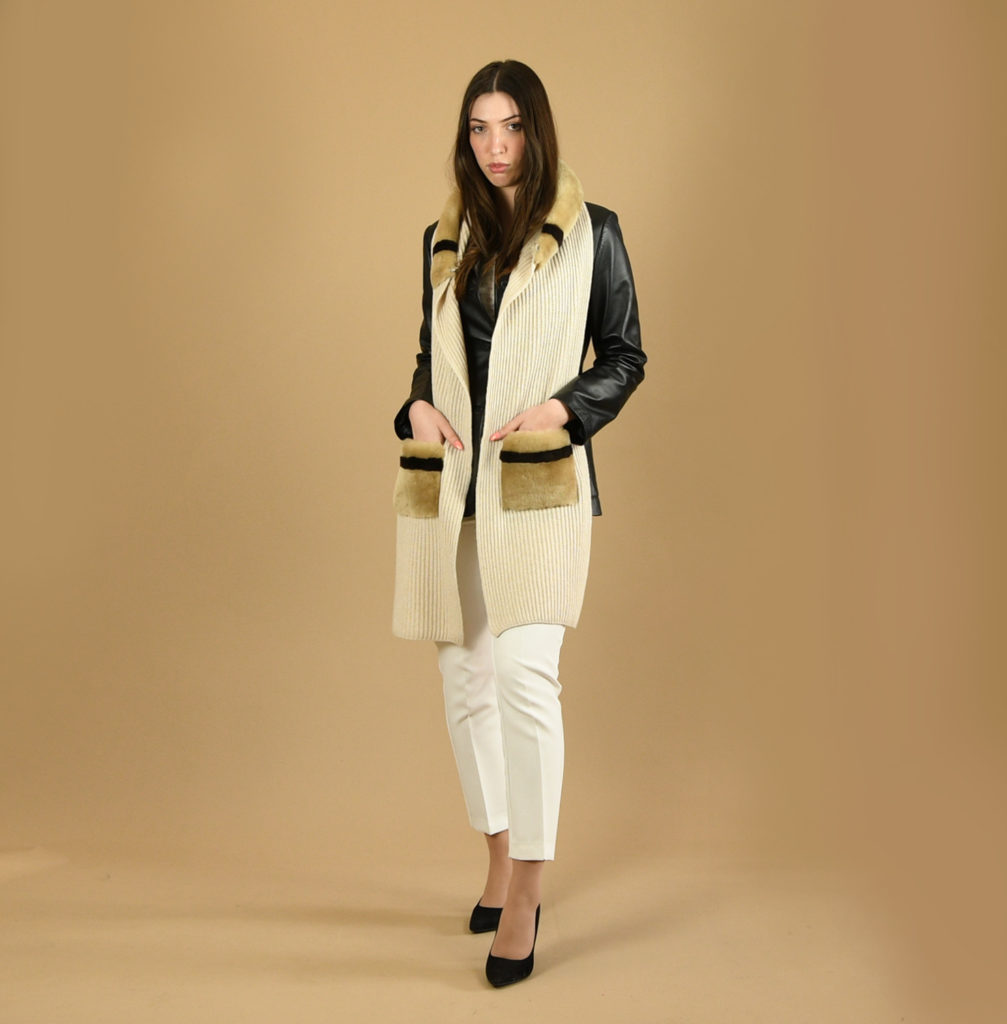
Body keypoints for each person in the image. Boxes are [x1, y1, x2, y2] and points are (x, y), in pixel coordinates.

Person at [392, 59, 645, 987]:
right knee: (465, 677)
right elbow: (432, 363)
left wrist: (563, 410)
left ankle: (528, 893)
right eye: (478, 128)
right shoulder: (441, 240)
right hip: (454, 485)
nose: (495, 146)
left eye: (510, 127)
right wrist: (414, 409)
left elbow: (625, 356)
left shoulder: (593, 232)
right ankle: (498, 856)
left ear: (536, 130)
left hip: (537, 482)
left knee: (527, 678)